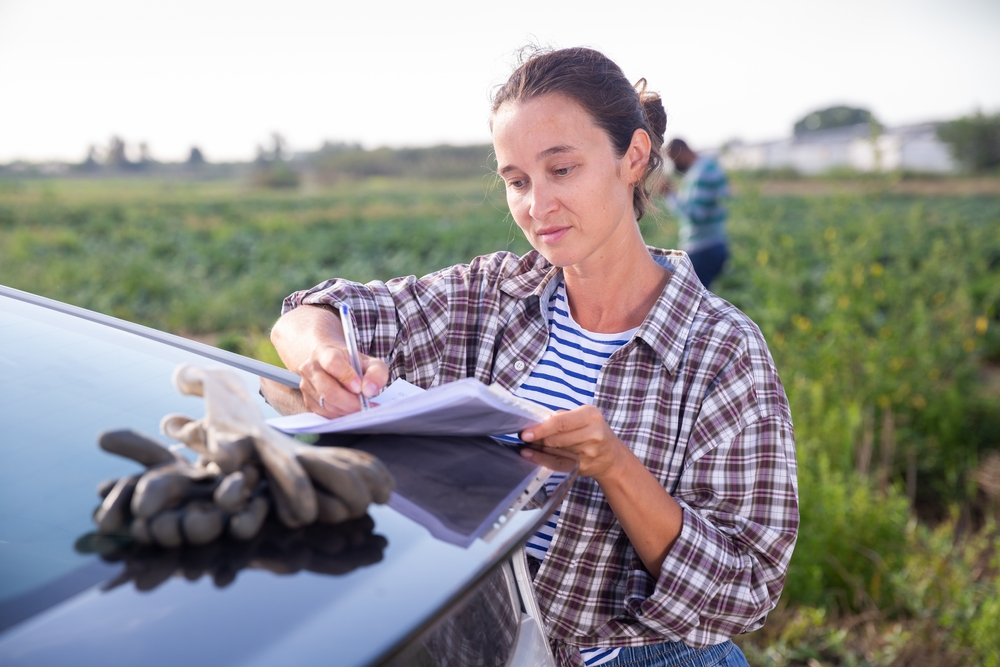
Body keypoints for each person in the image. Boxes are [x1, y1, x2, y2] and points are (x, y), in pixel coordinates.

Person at [267, 47, 798, 667]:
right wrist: (324, 356)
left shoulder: (722, 349)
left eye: (562, 170)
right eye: (517, 181)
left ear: (633, 157)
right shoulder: (490, 296)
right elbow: (308, 312)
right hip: (485, 644)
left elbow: (746, 591)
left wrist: (616, 468)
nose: (536, 207)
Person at [661, 138, 731, 289]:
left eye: (674, 159)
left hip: (702, 249)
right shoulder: (710, 167)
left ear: (681, 152)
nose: (675, 164)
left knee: (690, 303)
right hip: (715, 242)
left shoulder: (700, 174)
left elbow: (696, 216)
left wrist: (670, 195)